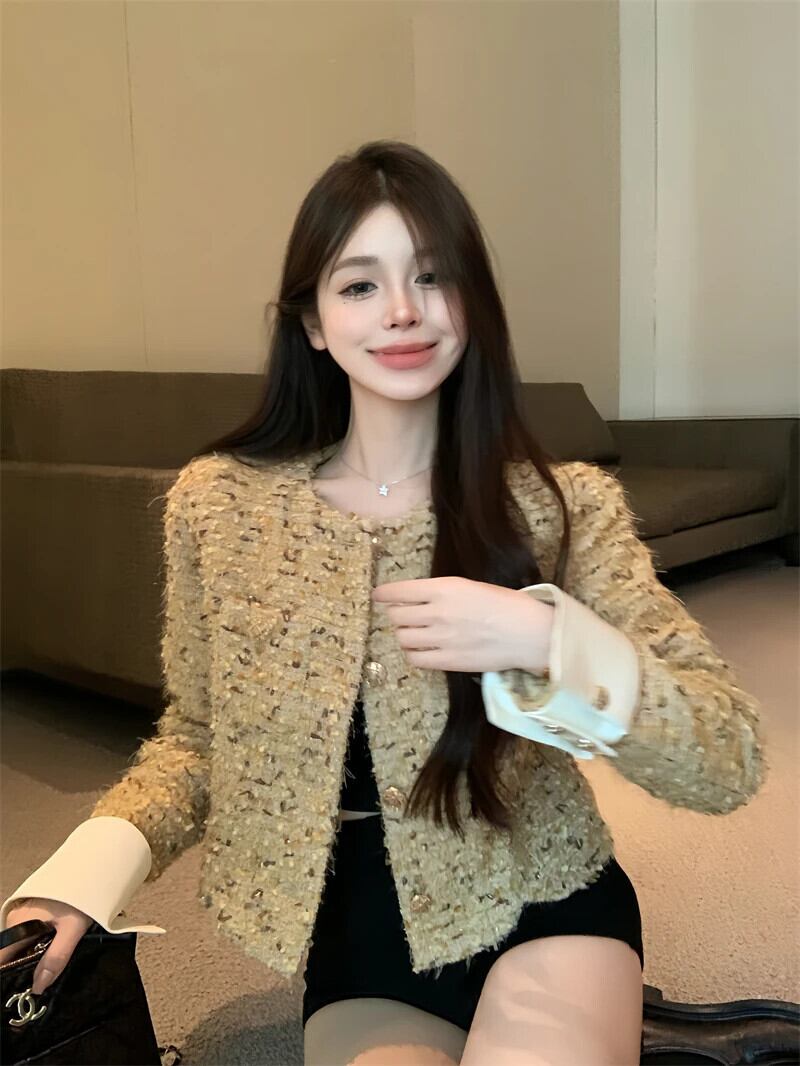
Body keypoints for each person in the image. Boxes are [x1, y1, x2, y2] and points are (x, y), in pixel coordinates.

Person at [0, 140, 767, 1066]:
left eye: (432, 277)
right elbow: (199, 740)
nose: (402, 309)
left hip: (543, 892)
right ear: (313, 322)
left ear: (472, 303)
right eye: (360, 284)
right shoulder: (219, 507)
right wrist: (84, 874)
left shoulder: (562, 506)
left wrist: (545, 637)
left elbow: (725, 756)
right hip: (361, 926)